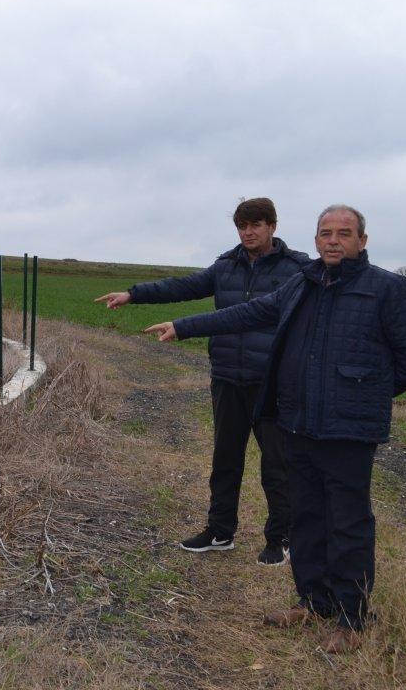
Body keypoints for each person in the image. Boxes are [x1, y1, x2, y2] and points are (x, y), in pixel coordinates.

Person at [143, 205, 406, 653]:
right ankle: (313, 602)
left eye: (343, 233)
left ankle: (351, 619)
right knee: (307, 518)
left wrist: (363, 393)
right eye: (325, 233)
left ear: (362, 240)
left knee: (349, 522)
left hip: (348, 431)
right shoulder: (304, 282)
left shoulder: (387, 289)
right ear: (315, 239)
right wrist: (184, 327)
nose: (333, 240)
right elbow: (248, 314)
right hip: (296, 421)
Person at [95, 198, 308, 566]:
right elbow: (183, 286)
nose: (248, 232)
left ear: (272, 226)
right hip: (227, 376)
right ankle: (220, 531)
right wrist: (134, 294)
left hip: (272, 383)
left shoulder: (297, 268)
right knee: (225, 459)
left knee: (277, 464)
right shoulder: (226, 266)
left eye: (255, 224)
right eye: (242, 226)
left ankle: (280, 537)